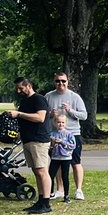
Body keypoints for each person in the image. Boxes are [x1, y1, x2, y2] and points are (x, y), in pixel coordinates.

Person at [8, 77, 52, 214]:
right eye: (17, 88)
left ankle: (46, 203)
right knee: (36, 171)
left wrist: (19, 114)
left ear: (29, 86)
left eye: (21, 88)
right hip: (28, 140)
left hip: (39, 140)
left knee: (42, 171)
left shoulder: (38, 99)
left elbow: (40, 117)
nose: (18, 91)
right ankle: (40, 200)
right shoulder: (24, 101)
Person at [45, 72, 88, 200]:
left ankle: (78, 190)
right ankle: (60, 190)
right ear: (54, 82)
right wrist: (50, 114)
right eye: (58, 81)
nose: (61, 83)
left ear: (67, 82)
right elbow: (43, 115)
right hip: (54, 136)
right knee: (57, 161)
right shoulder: (48, 96)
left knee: (75, 162)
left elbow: (84, 115)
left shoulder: (74, 97)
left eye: (63, 81)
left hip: (72, 134)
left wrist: (70, 110)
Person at [47, 112, 77, 203]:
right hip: (55, 157)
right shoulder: (52, 134)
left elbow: (73, 145)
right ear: (55, 123)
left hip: (66, 158)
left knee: (65, 176)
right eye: (59, 122)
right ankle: (50, 192)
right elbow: (49, 146)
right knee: (50, 175)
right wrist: (52, 143)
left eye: (63, 122)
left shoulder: (69, 134)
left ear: (65, 123)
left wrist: (62, 142)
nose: (61, 124)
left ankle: (66, 195)